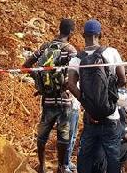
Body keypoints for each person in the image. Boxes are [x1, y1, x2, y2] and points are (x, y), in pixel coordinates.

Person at [66, 19, 127, 173]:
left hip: (90, 117)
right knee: (113, 155)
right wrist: (109, 96)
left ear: (83, 35)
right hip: (111, 116)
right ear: (100, 34)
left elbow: (71, 85)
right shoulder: (111, 52)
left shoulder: (77, 59)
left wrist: (87, 103)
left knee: (85, 156)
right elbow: (123, 79)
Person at [23, 19, 79, 173]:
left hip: (47, 99)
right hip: (64, 101)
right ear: (71, 33)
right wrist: (67, 84)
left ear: (59, 29)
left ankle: (41, 166)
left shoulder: (45, 46)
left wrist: (38, 79)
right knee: (64, 136)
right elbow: (78, 73)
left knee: (42, 134)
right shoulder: (71, 50)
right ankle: (61, 167)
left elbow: (25, 66)